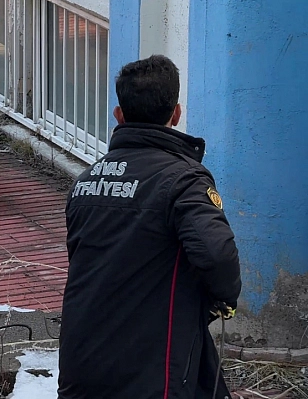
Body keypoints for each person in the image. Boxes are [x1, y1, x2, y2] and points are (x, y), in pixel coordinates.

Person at [57, 54, 242, 399]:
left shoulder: (85, 181)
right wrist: (223, 300)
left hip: (80, 360)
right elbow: (217, 253)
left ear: (119, 115)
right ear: (176, 114)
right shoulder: (184, 180)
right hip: (152, 368)